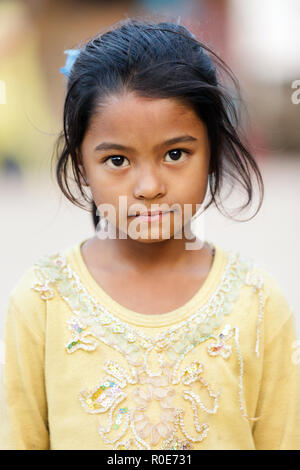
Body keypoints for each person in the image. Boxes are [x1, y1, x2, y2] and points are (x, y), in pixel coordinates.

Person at [0, 17, 299, 451]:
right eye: (118, 160)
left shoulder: (256, 303)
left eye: (175, 153)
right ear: (81, 164)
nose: (149, 187)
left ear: (213, 151)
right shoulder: (43, 302)